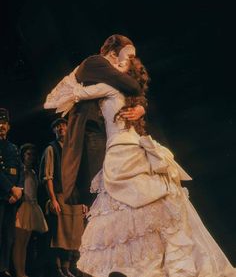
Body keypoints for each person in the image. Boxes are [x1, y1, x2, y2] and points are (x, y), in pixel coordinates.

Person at [61, 59, 236, 277]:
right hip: (116, 155)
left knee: (155, 212)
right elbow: (73, 96)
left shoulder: (128, 95)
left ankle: (154, 267)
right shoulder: (109, 87)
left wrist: (141, 108)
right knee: (123, 216)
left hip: (131, 150)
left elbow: (68, 96)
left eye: (125, 62)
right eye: (118, 60)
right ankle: (134, 268)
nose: (120, 66)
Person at [44, 34, 146, 206]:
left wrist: (141, 107)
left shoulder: (112, 74)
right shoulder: (95, 63)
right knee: (99, 180)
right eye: (127, 55)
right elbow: (133, 86)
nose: (129, 60)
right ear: (114, 53)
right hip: (92, 129)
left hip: (111, 131)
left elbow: (134, 90)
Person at [41, 118, 85, 277]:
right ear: (54, 130)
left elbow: (81, 177)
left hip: (75, 197)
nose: (61, 128)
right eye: (57, 126)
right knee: (59, 234)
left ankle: (69, 267)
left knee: (74, 234)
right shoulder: (51, 149)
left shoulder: (74, 149)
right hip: (60, 195)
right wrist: (53, 199)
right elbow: (48, 177)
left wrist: (84, 201)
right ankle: (58, 268)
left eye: (64, 125)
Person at [12, 143, 48, 277]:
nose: (30, 157)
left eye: (33, 155)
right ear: (23, 155)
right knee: (19, 242)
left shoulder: (33, 172)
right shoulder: (20, 171)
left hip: (32, 206)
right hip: (22, 207)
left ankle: (23, 271)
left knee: (25, 243)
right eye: (28, 154)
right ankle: (19, 272)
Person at [0, 108, 24, 277]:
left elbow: (20, 170)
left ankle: (4, 268)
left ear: (8, 127)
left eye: (4, 123)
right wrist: (11, 188)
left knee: (8, 236)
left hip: (13, 198)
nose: (1, 125)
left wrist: (20, 190)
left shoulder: (13, 147)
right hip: (2, 195)